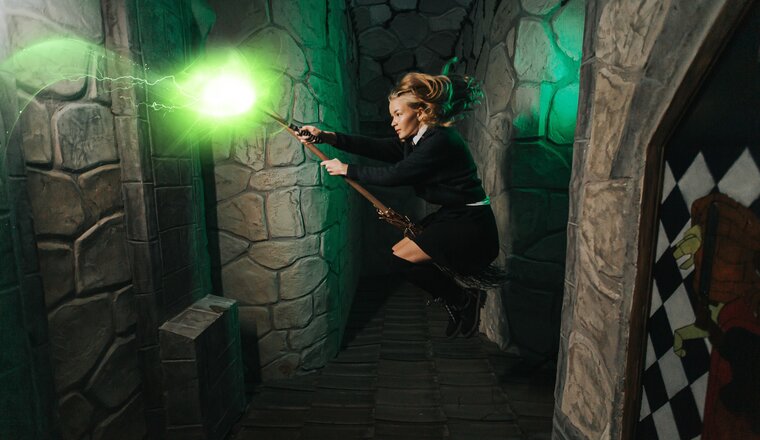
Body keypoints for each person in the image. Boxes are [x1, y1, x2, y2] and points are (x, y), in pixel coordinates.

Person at [297, 72, 499, 338]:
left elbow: (396, 175)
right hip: (454, 215)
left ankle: (462, 300)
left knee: (403, 260)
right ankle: (461, 298)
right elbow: (377, 147)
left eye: (398, 114)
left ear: (421, 112)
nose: (393, 122)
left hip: (470, 222)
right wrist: (327, 136)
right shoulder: (419, 140)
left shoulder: (440, 140)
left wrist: (346, 169)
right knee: (400, 256)